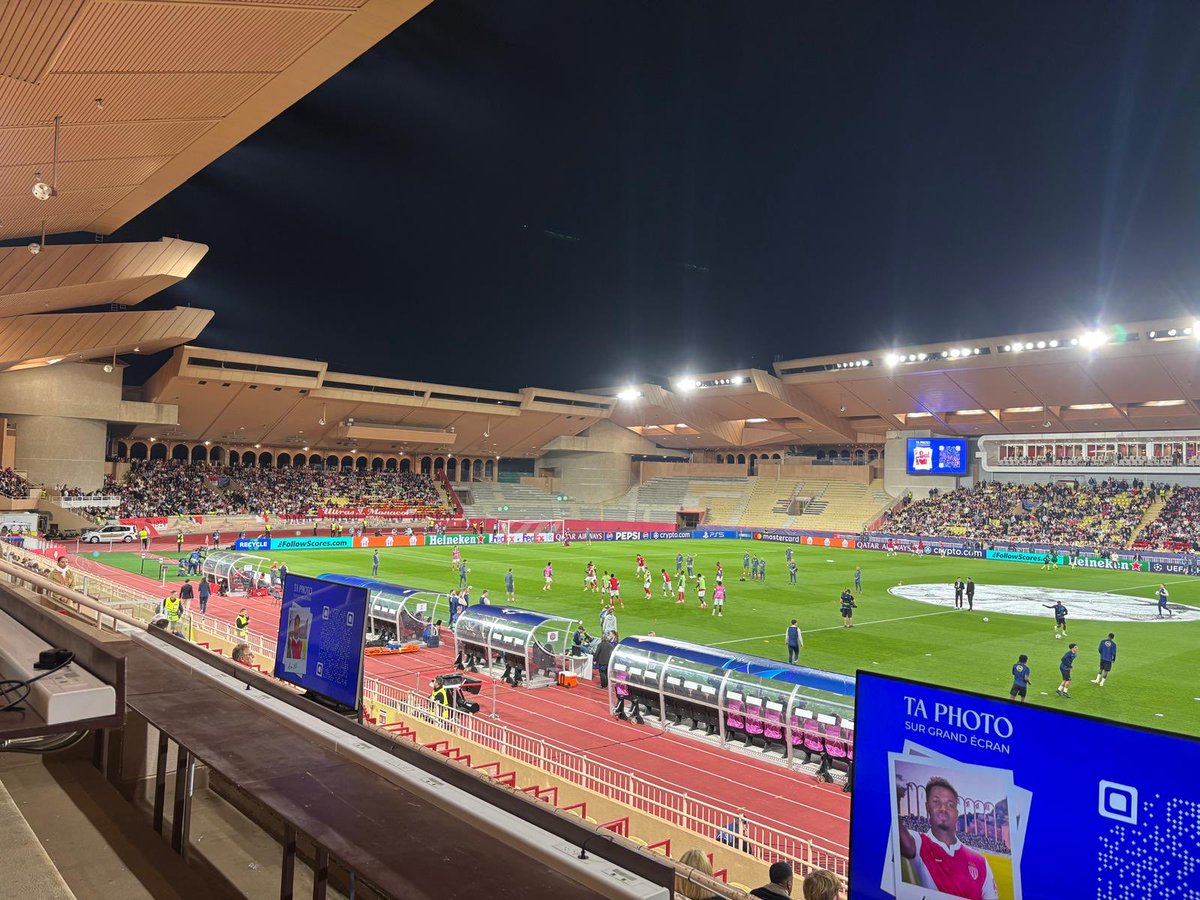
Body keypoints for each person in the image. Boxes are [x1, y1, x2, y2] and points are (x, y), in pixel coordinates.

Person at [897, 776, 998, 900]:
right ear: (927, 807)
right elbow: (905, 844)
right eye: (936, 801)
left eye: (950, 804)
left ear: (956, 812)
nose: (943, 808)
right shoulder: (918, 842)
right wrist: (896, 800)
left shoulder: (980, 861)